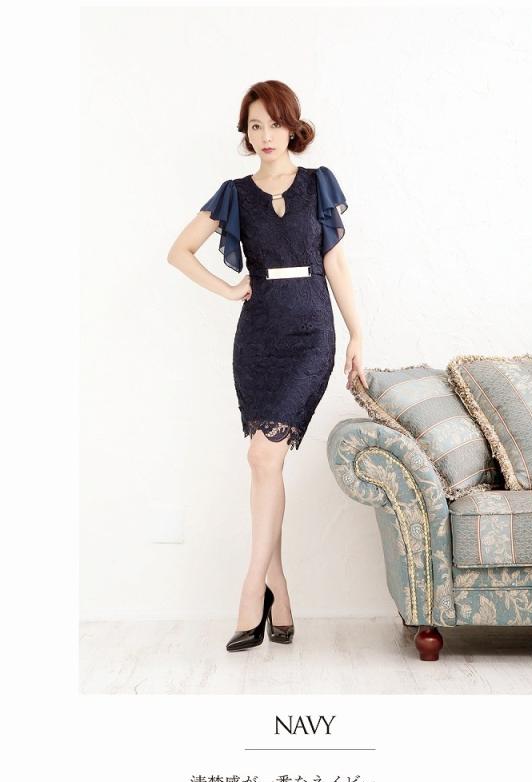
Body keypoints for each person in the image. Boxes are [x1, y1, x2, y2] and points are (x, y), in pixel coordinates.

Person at [167, 80, 368, 652]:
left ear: (292, 127)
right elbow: (179, 252)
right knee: (265, 464)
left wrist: (358, 333)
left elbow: (336, 265)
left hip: (310, 334)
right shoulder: (234, 193)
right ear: (246, 133)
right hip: (257, 338)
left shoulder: (316, 184)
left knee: (262, 456)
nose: (265, 135)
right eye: (254, 126)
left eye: (274, 124)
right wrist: (229, 289)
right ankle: (279, 592)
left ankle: (252, 586)